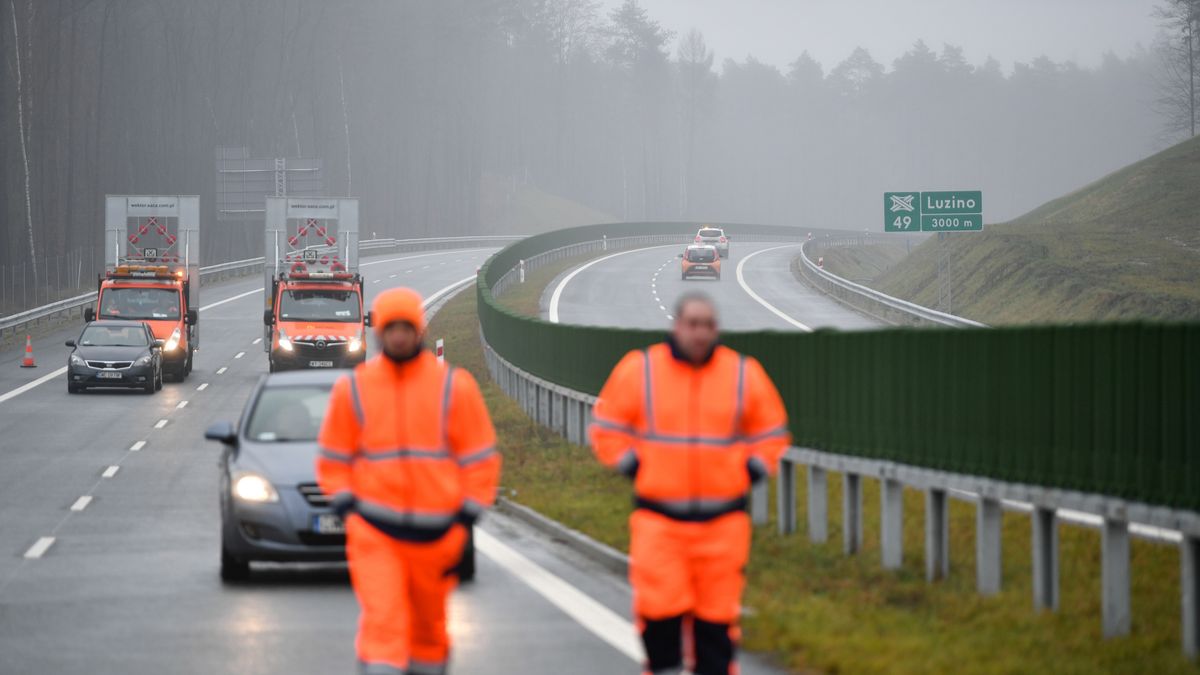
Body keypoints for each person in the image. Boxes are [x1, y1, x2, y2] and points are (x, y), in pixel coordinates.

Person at [590, 291, 790, 675]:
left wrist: (750, 470)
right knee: (659, 619)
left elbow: (773, 433)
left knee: (715, 628)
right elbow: (607, 429)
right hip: (659, 524)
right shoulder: (641, 369)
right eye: (693, 323)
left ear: (717, 330)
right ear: (676, 325)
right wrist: (634, 466)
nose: (700, 333)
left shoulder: (743, 374)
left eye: (709, 325)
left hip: (723, 527)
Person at [318, 287, 501, 675]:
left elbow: (479, 456)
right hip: (375, 531)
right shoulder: (355, 388)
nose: (398, 335)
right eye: (391, 327)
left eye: (406, 327)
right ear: (379, 332)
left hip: (437, 536)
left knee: (428, 631)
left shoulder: (454, 386)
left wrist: (468, 512)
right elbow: (334, 456)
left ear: (418, 331)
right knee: (384, 620)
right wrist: (346, 503)